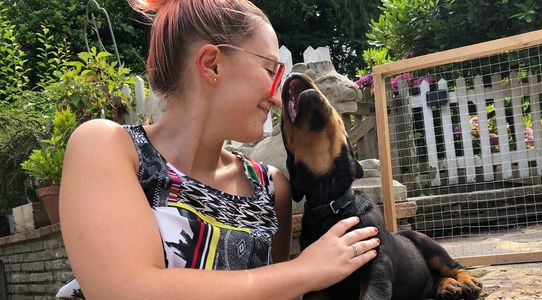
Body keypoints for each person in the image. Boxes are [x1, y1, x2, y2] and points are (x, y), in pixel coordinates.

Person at [57, 0, 379, 298]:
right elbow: (127, 290)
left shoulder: (270, 188)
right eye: (270, 70)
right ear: (212, 64)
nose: (277, 97)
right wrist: (304, 270)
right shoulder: (109, 148)